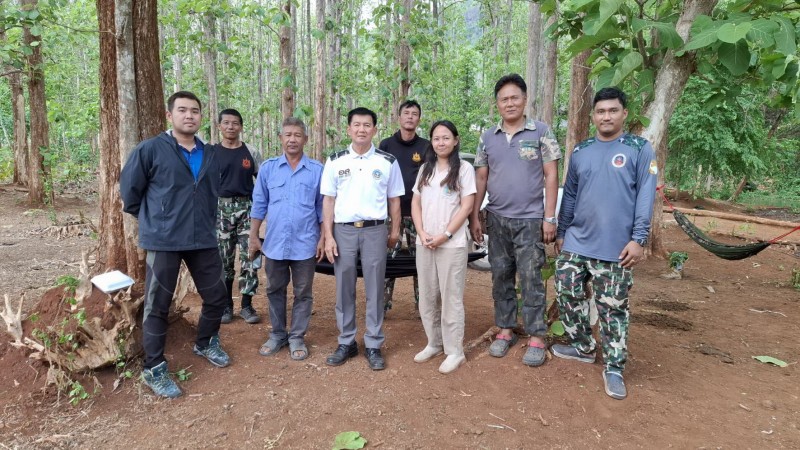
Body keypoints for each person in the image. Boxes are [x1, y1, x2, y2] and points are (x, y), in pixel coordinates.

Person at [120, 91, 230, 399]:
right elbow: (130, 194)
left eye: (195, 111)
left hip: (203, 239)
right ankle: (154, 368)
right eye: (182, 110)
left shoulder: (209, 153)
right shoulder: (151, 150)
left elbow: (210, 192)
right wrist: (156, 220)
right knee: (157, 304)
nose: (189, 115)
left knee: (217, 295)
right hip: (164, 240)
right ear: (170, 116)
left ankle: (206, 342)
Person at [552, 87, 657, 400]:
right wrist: (561, 231)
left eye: (613, 110)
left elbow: (646, 195)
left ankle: (614, 366)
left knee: (612, 308)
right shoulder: (582, 151)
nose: (606, 116)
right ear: (594, 116)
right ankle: (583, 347)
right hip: (577, 241)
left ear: (624, 113)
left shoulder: (639, 148)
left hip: (616, 248)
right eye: (601, 111)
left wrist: (639, 239)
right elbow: (569, 194)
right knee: (566, 291)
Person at [469, 73, 561, 367]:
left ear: (525, 100)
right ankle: (505, 330)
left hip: (531, 220)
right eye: (503, 99)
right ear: (497, 104)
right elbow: (480, 177)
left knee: (532, 277)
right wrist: (475, 215)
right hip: (496, 218)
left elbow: (551, 174)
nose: (509, 103)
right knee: (501, 276)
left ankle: (536, 336)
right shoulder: (487, 137)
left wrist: (549, 217)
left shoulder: (541, 132)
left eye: (514, 98)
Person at [321, 107, 404, 370]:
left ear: (374, 130)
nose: (361, 130)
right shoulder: (335, 161)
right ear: (348, 129)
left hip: (375, 230)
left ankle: (373, 343)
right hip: (343, 230)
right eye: (356, 125)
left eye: (367, 125)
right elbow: (328, 201)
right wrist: (328, 236)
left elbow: (394, 200)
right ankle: (346, 341)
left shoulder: (387, 161)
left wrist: (394, 230)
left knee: (375, 287)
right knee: (344, 286)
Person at [248, 117, 324, 360]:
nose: (292, 139)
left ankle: (297, 337)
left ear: (305, 139)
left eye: (297, 135)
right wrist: (253, 236)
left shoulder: (317, 171)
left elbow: (323, 209)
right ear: (281, 138)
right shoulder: (269, 168)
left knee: (303, 292)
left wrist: (324, 238)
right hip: (275, 244)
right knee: (274, 289)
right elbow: (259, 205)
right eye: (288, 135)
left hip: (305, 244)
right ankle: (278, 334)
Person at [411, 120, 475, 374]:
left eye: (446, 137)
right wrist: (422, 232)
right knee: (427, 296)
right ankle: (434, 342)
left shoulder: (464, 169)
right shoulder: (426, 169)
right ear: (431, 142)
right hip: (424, 242)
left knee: (450, 298)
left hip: (452, 244)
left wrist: (446, 234)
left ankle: (454, 351)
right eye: (436, 138)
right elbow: (416, 203)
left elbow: (467, 206)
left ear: (456, 140)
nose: (441, 142)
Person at [379, 100, 429, 311]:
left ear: (419, 119)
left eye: (414, 113)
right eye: (406, 113)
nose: (410, 117)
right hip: (392, 216)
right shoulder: (386, 145)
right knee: (389, 261)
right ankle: (382, 305)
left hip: (420, 216)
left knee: (422, 263)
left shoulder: (426, 146)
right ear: (398, 117)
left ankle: (423, 306)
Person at [213, 108, 261, 325]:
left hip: (247, 209)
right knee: (223, 260)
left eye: (235, 123)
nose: (231, 127)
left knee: (251, 256)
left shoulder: (250, 152)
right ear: (219, 126)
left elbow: (261, 183)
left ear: (241, 126)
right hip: (220, 210)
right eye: (226, 123)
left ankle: (247, 305)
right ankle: (225, 306)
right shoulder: (211, 153)